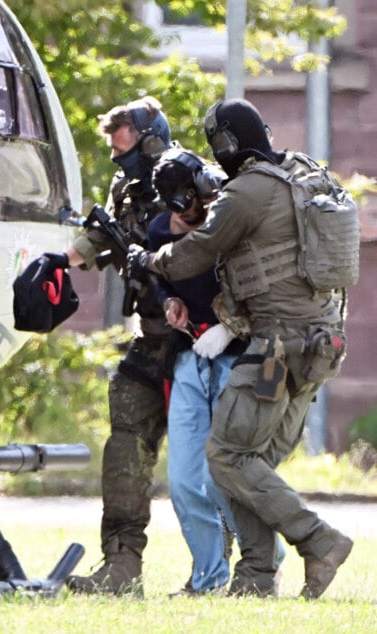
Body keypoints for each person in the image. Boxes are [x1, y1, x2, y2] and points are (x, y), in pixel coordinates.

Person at [128, 98, 354, 598]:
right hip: (321, 345)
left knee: (227, 454)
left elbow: (198, 251)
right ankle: (254, 577)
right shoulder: (303, 172)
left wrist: (150, 258)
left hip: (277, 349)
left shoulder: (248, 191)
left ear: (227, 144)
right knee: (248, 461)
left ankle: (320, 540)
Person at [58, 96, 173, 596]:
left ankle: (253, 568)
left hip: (204, 340)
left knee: (217, 463)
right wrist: (56, 263)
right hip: (152, 337)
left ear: (151, 142)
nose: (119, 163)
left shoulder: (195, 182)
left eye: (126, 152)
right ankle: (121, 567)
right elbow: (99, 240)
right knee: (124, 443)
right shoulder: (126, 190)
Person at [145, 148, 244, 595]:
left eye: (189, 202)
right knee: (184, 480)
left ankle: (267, 561)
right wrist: (169, 300)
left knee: (221, 475)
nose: (184, 214)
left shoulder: (231, 218)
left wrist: (226, 330)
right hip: (189, 357)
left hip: (235, 353)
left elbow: (260, 288)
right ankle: (208, 578)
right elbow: (159, 277)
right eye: (175, 206)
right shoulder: (159, 232)